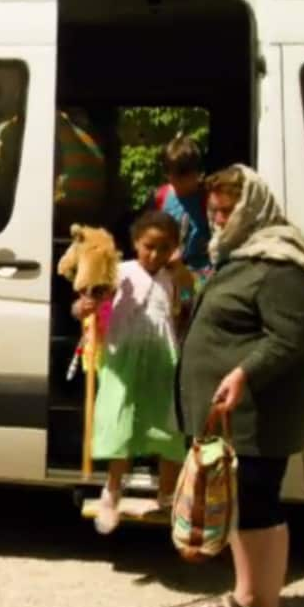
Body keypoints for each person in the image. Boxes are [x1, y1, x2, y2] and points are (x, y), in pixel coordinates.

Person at [179, 165, 304, 607]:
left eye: (228, 210)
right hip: (232, 413)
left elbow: (290, 338)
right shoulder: (241, 252)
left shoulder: (281, 262)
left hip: (261, 412)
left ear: (253, 207)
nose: (220, 219)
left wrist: (244, 372)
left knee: (259, 504)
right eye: (215, 211)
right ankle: (245, 595)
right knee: (239, 506)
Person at [73, 211, 190, 535]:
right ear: (136, 242)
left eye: (164, 248)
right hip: (123, 362)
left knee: (167, 431)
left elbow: (189, 300)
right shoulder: (118, 273)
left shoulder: (175, 279)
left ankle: (167, 496)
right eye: (149, 246)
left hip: (163, 363)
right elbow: (88, 301)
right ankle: (112, 492)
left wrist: (181, 271)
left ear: (174, 249)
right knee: (120, 425)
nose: (155, 254)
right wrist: (83, 307)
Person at [150, 135, 212, 275]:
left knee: (187, 296)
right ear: (167, 174)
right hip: (167, 268)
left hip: (200, 269)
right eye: (175, 178)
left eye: (187, 178)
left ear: (197, 173)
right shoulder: (160, 197)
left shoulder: (207, 197)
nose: (181, 184)